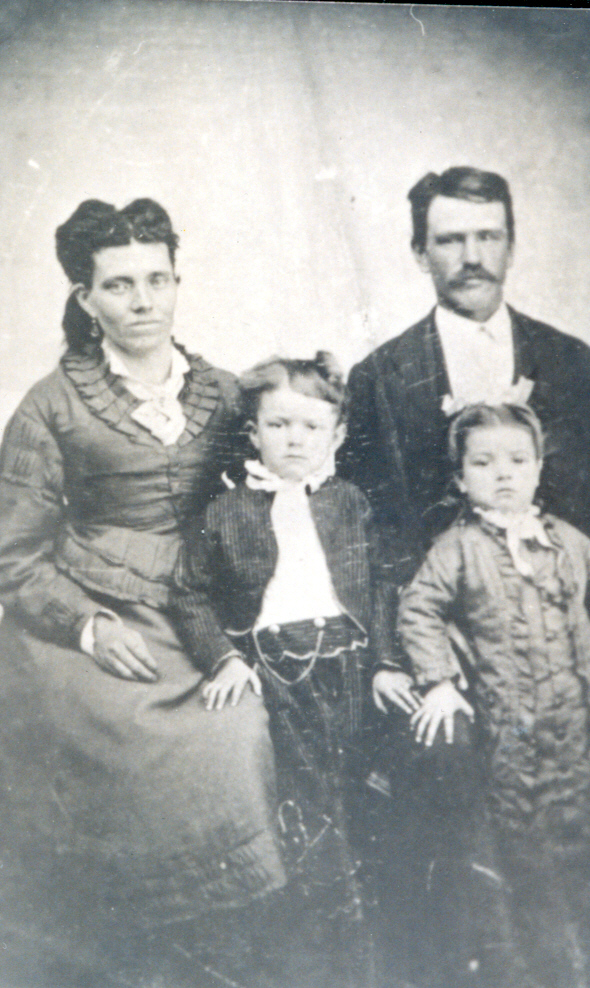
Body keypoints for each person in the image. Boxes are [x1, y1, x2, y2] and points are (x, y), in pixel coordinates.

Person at [0, 198, 285, 988]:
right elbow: (13, 563)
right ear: (86, 299)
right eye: (119, 285)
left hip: (197, 609)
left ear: (178, 283)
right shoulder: (50, 406)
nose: (143, 301)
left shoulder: (225, 393)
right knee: (122, 748)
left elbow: (287, 480)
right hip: (90, 614)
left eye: (157, 279)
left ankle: (222, 959)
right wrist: (89, 626)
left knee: (235, 735)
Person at [172, 353, 396, 988]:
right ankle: (321, 953)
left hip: (350, 667)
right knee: (306, 806)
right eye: (278, 425)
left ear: (338, 435)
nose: (294, 440)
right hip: (278, 672)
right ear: (253, 433)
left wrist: (386, 663)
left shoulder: (351, 502)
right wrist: (223, 658)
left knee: (362, 795)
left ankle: (372, 948)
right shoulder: (227, 511)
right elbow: (188, 592)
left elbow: (381, 585)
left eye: (310, 427)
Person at [396, 403, 590, 988]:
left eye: (517, 460)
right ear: (460, 479)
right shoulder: (456, 547)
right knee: (523, 843)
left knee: (579, 827)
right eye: (483, 463)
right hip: (508, 724)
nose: (503, 473)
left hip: (575, 718)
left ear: (538, 469)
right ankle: (543, 965)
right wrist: (438, 681)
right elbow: (419, 610)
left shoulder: (570, 541)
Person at [341, 166, 590, 589]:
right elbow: (368, 525)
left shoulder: (572, 361)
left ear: (511, 248)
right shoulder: (377, 378)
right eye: (451, 240)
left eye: (488, 237)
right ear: (420, 254)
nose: (472, 258)